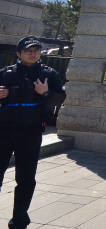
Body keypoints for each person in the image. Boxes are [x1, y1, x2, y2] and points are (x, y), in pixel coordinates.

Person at [0, 36, 64, 229]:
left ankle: (19, 221)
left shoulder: (49, 74)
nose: (33, 53)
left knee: (26, 179)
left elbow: (60, 98)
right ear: (19, 53)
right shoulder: (6, 73)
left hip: (31, 132)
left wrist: (45, 92)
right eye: (28, 50)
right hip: (3, 131)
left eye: (36, 50)